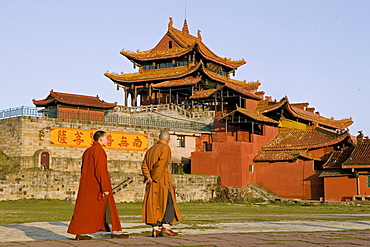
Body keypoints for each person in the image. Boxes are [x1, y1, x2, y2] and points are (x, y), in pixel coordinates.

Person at [67, 131, 129, 240]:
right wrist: (104, 187)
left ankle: (81, 233)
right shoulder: (99, 151)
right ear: (100, 139)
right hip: (97, 185)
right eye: (106, 138)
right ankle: (115, 231)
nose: (108, 140)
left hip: (87, 184)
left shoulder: (88, 151)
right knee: (108, 207)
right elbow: (101, 171)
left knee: (86, 209)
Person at [141, 131, 182, 237]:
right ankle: (165, 227)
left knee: (154, 205)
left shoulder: (150, 149)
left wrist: (148, 176)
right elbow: (161, 164)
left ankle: (155, 229)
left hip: (151, 181)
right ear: (168, 140)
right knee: (168, 202)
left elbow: (144, 164)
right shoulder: (165, 148)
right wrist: (154, 177)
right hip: (161, 180)